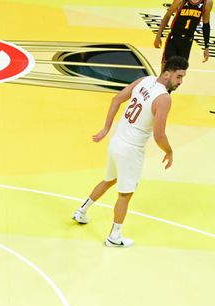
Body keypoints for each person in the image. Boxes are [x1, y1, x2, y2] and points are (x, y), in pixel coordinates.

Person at [71, 56, 189, 248]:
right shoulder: (164, 98)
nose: (180, 82)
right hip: (131, 150)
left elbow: (116, 99)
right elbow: (159, 136)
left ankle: (81, 211)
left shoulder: (145, 80)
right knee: (125, 194)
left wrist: (106, 129)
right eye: (179, 76)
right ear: (167, 74)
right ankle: (114, 237)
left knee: (109, 179)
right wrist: (169, 152)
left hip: (116, 140)